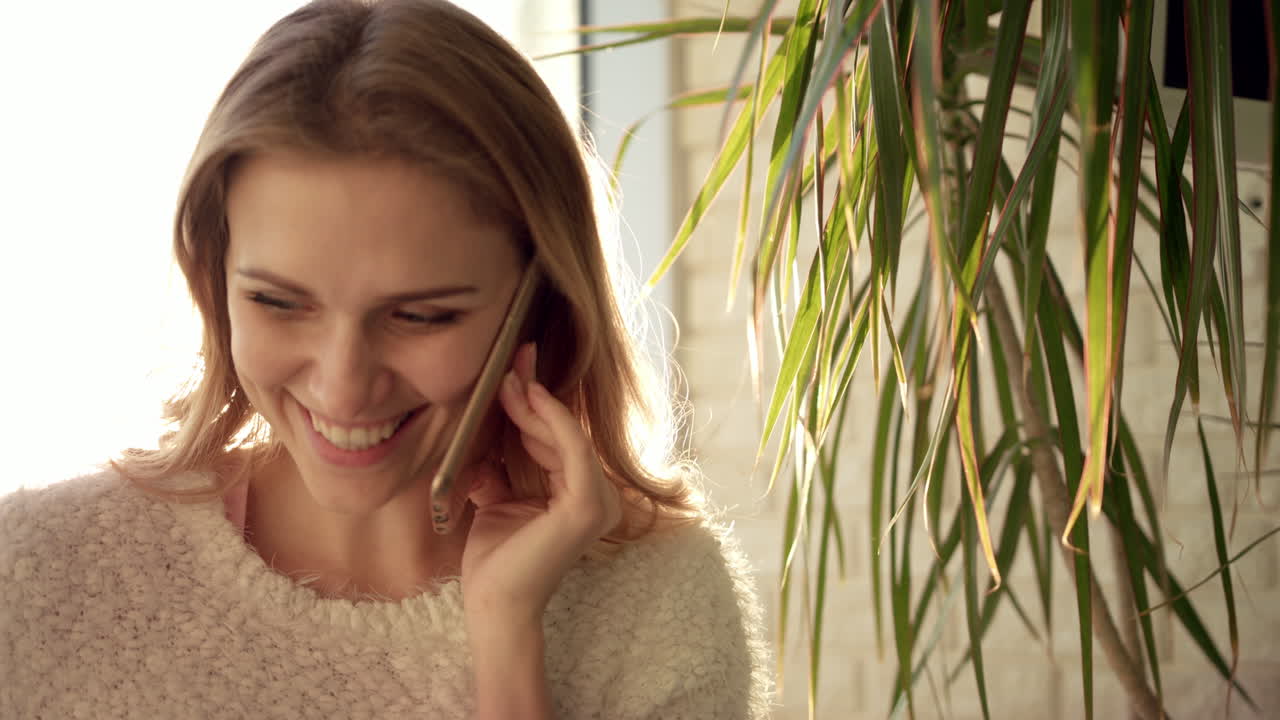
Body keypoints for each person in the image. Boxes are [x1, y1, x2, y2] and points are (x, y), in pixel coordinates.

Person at [0, 1, 772, 717]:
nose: (342, 386)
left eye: (418, 315)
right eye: (278, 302)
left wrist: (508, 639)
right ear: (215, 279)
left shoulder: (659, 609)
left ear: (540, 300)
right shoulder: (34, 575)